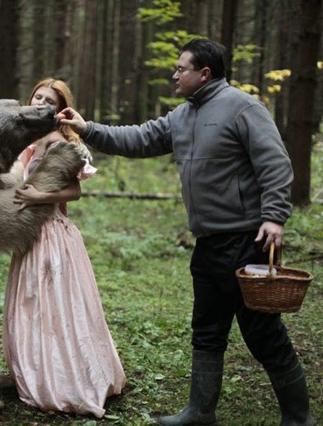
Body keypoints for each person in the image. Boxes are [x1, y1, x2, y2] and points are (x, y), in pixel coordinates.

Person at [58, 39, 315, 425]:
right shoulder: (181, 116)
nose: (175, 74)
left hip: (248, 241)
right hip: (208, 243)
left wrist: (275, 216)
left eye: (182, 69)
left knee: (263, 333)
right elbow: (138, 138)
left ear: (204, 73)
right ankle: (200, 412)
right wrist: (86, 128)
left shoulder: (243, 108)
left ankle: (299, 418)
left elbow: (275, 164)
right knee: (206, 330)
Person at [2, 78, 126, 418]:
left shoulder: (57, 141)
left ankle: (64, 378)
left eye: (50, 101)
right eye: (38, 96)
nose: (42, 102)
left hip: (51, 235)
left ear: (60, 110)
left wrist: (40, 198)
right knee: (31, 303)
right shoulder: (29, 141)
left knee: (55, 307)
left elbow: (74, 193)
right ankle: (35, 369)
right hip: (28, 234)